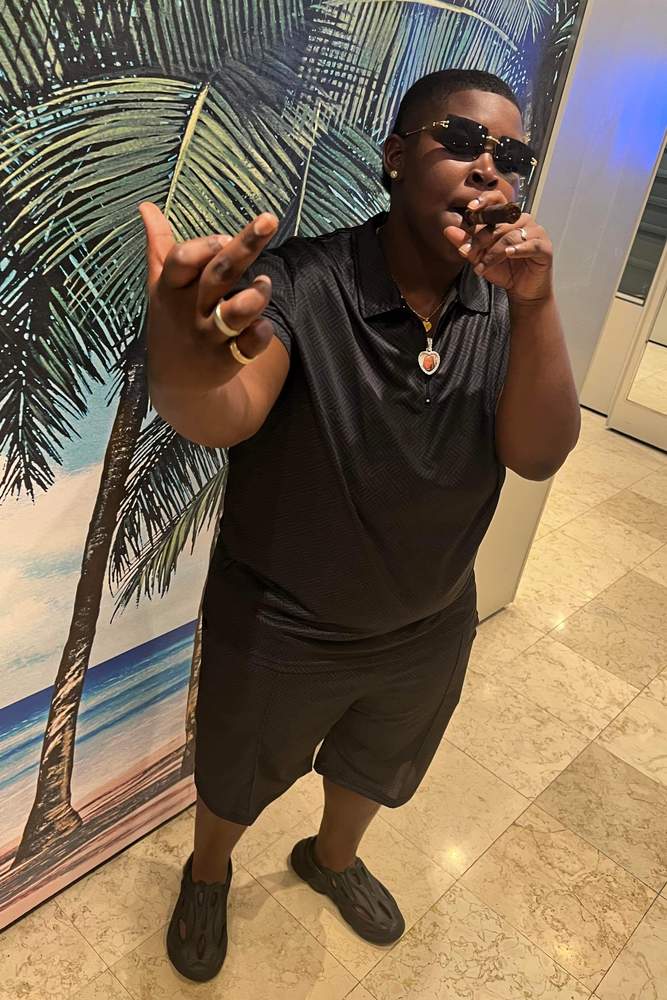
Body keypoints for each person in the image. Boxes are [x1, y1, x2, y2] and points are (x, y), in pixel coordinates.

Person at [139, 68, 580, 982]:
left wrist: (535, 302)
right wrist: (181, 357)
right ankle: (208, 871)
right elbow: (225, 410)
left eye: (510, 156)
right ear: (395, 157)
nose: (488, 168)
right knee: (237, 777)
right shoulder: (305, 281)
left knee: (378, 765)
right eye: (461, 140)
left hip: (428, 621)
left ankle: (330, 858)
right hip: (283, 625)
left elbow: (538, 454)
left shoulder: (502, 301)